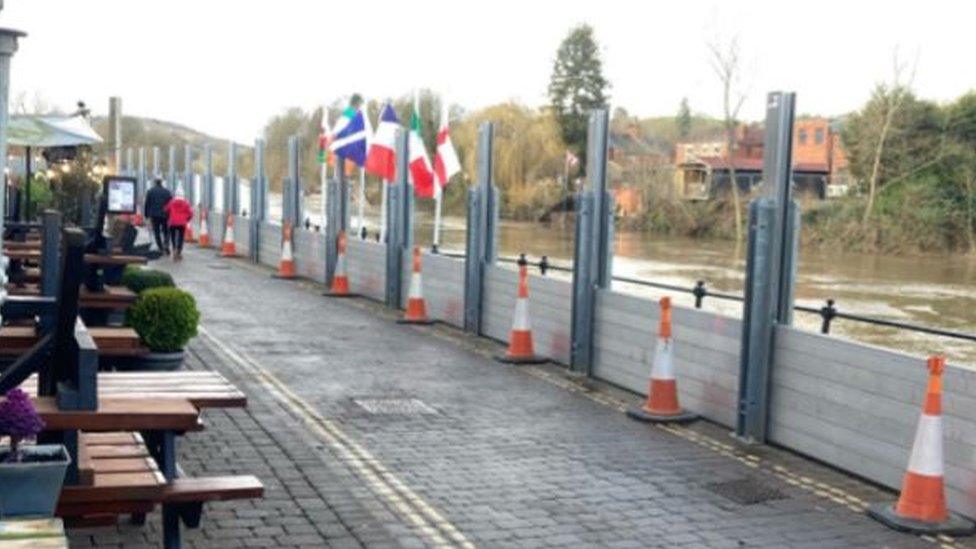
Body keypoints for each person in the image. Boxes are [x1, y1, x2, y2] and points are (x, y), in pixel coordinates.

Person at [144, 178, 173, 255]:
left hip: (154, 215)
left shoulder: (150, 191)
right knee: (166, 231)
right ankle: (166, 244)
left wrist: (146, 215)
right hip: (165, 215)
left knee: (156, 231)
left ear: (155, 182)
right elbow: (171, 204)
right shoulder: (167, 192)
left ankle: (160, 247)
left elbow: (147, 204)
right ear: (161, 183)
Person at [164, 189, 193, 261]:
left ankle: (174, 249)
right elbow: (190, 213)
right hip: (182, 223)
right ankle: (179, 251)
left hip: (172, 222)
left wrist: (169, 217)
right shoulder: (186, 203)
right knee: (181, 237)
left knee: (173, 236)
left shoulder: (172, 202)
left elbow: (166, 209)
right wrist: (187, 219)